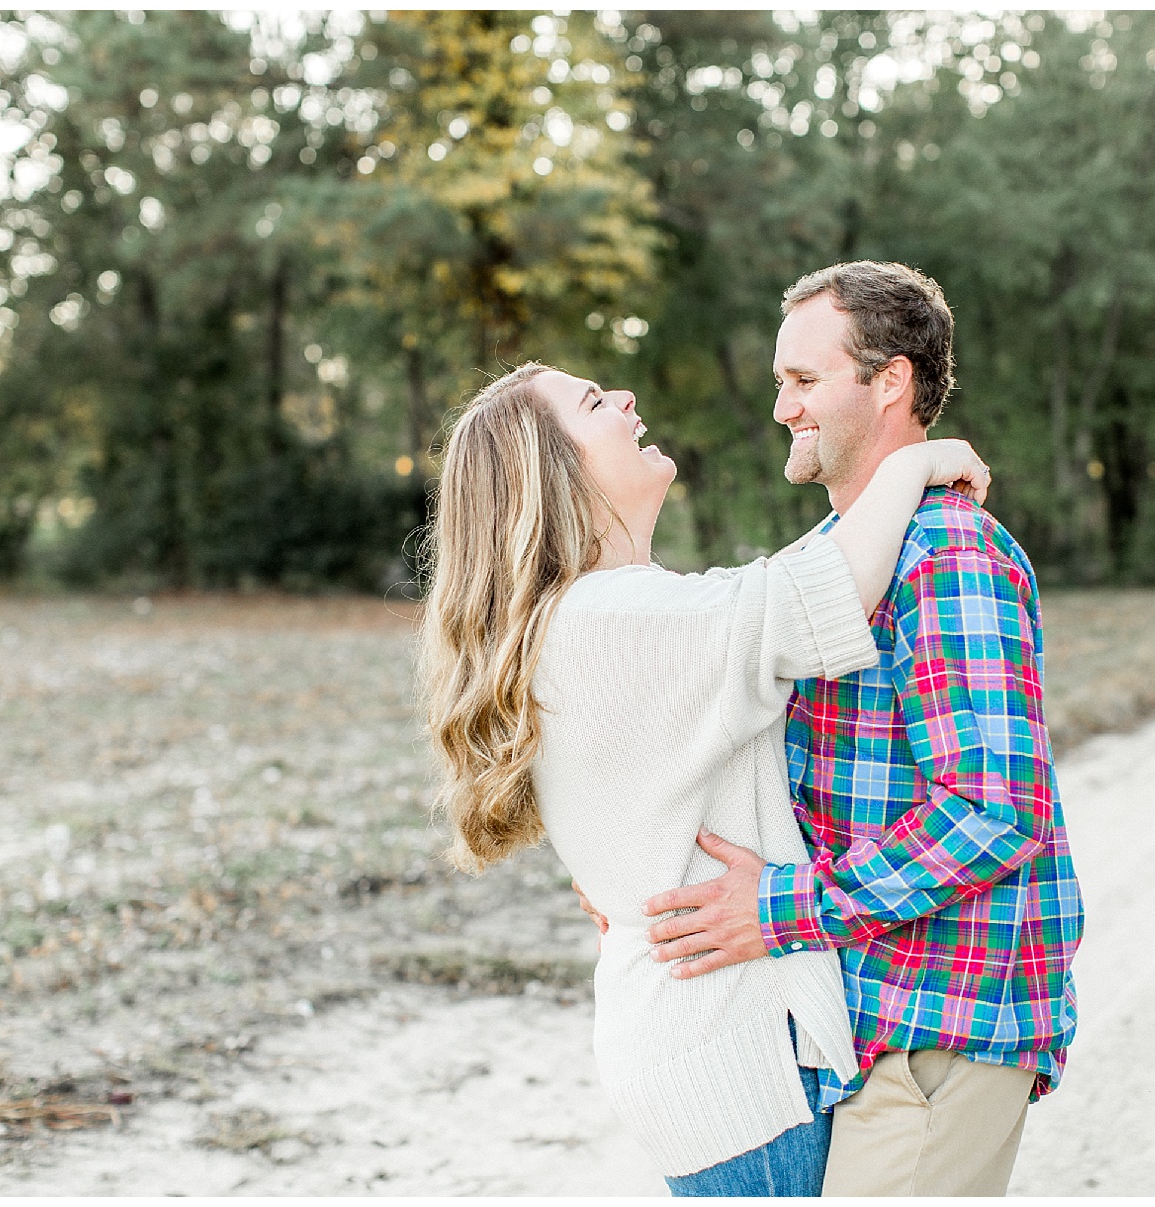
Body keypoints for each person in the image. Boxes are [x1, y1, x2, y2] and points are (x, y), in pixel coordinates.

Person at [418, 359, 992, 1196]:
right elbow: (813, 599)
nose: (626, 398)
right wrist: (910, 464)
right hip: (732, 1050)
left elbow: (767, 595)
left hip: (698, 1039)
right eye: (592, 402)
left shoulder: (609, 609)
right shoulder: (614, 621)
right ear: (555, 470)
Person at [636, 261, 1085, 1196]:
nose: (781, 408)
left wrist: (778, 906)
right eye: (779, 383)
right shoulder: (830, 562)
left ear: (892, 382)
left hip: (943, 1019)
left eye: (803, 381)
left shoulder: (949, 553)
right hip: (864, 1014)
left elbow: (993, 808)